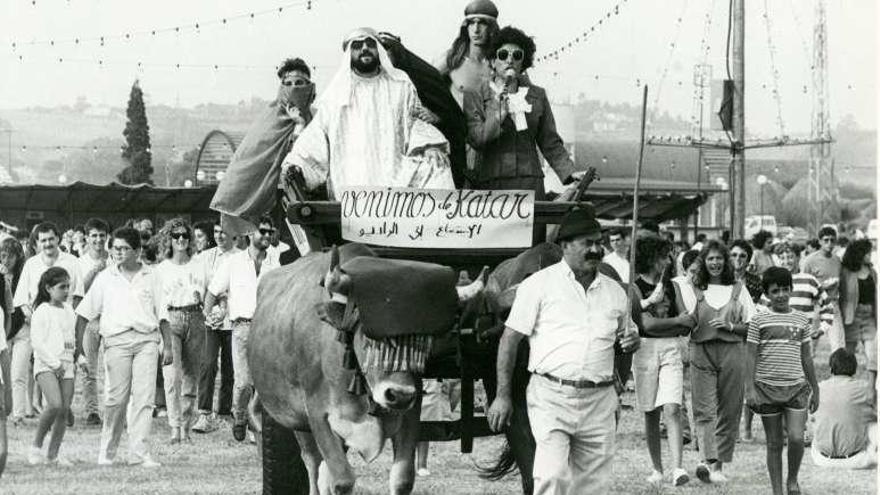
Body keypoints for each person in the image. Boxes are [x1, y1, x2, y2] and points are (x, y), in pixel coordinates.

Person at [486, 206, 639, 494]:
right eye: (587, 243)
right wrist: (503, 395)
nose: (595, 250)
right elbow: (509, 339)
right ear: (565, 246)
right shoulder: (538, 286)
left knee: (593, 486)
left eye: (598, 243)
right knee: (552, 477)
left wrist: (631, 347)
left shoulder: (616, 292)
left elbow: (627, 338)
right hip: (551, 396)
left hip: (599, 399)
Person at [284, 28, 453, 199]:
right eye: (357, 45)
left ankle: (440, 224)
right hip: (352, 183)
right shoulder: (336, 94)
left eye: (370, 44)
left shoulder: (400, 85)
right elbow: (317, 134)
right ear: (349, 53)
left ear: (379, 50)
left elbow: (414, 122)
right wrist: (298, 163)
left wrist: (429, 146)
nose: (365, 48)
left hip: (395, 176)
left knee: (437, 164)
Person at [74, 227, 171, 467]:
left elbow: (163, 314)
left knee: (144, 398)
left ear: (137, 251)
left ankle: (139, 454)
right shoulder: (106, 277)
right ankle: (107, 453)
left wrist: (167, 346)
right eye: (115, 248)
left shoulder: (153, 275)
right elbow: (83, 314)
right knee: (116, 399)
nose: (117, 252)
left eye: (123, 248)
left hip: (146, 341)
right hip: (116, 342)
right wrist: (79, 349)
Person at [463, 26, 576, 199]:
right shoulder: (475, 94)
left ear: (523, 63)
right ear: (493, 61)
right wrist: (497, 115)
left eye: (517, 56)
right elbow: (476, 139)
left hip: (530, 183)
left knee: (533, 227)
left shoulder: (536, 96)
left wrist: (569, 173)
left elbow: (550, 142)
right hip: (491, 183)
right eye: (503, 55)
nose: (510, 60)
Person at [676, 240, 756, 483]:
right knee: (704, 408)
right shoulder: (694, 288)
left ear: (726, 261)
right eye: (710, 258)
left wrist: (731, 326)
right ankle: (705, 460)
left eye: (719, 258)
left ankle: (718, 465)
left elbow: (753, 325)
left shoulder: (738, 289)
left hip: (733, 351)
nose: (715, 263)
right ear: (703, 262)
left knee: (729, 409)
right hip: (701, 350)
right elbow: (683, 315)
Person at [212, 58, 316, 237]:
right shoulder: (268, 120)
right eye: (288, 84)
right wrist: (298, 127)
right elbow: (248, 162)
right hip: (273, 204)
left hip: (310, 200)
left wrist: (301, 124)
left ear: (310, 87)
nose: (294, 88)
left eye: (300, 83)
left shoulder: (318, 118)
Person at [204, 215, 280, 441]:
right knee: (244, 381)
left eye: (270, 232)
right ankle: (239, 415)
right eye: (262, 231)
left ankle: (259, 425)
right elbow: (213, 292)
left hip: (268, 328)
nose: (267, 235)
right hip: (242, 327)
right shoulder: (233, 262)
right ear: (250, 233)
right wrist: (209, 316)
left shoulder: (275, 263)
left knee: (265, 382)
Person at [744, 267, 819, 495]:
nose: (781, 295)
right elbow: (750, 355)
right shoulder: (759, 320)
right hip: (766, 388)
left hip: (796, 387)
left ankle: (792, 479)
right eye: (775, 291)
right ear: (767, 293)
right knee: (774, 443)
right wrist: (750, 389)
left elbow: (806, 356)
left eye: (785, 289)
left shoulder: (801, 319)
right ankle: (777, 490)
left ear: (791, 290)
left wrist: (815, 388)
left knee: (796, 438)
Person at [631, 236, 695, 487]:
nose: (668, 261)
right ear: (650, 258)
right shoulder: (635, 288)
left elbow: (687, 322)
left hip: (671, 349)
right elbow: (645, 324)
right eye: (663, 256)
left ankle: (678, 467)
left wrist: (675, 324)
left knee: (673, 407)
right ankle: (657, 468)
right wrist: (676, 323)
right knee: (650, 411)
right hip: (645, 349)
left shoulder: (673, 286)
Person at [11, 222, 82, 425]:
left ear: (58, 238)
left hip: (63, 326)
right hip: (32, 324)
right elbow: (21, 300)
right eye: (43, 240)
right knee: (21, 369)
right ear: (37, 243)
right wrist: (34, 320)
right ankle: (18, 414)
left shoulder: (72, 262)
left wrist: (68, 320)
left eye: (51, 239)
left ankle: (62, 409)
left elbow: (77, 296)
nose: (48, 243)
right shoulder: (31, 264)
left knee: (63, 368)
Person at [155, 218, 208, 444]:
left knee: (191, 377)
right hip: (170, 319)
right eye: (176, 236)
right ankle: (175, 428)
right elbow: (156, 302)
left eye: (185, 236)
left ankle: (186, 427)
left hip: (195, 317)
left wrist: (215, 307)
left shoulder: (200, 264)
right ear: (169, 239)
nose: (181, 240)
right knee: (172, 376)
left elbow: (214, 292)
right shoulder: (161, 269)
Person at [27, 267, 77, 466]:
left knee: (64, 409)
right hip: (46, 364)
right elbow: (37, 342)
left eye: (68, 287)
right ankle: (35, 447)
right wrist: (54, 364)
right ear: (48, 288)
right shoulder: (42, 310)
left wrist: (77, 358)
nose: (66, 291)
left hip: (67, 363)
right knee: (54, 404)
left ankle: (53, 455)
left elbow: (71, 338)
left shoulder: (69, 310)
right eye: (61, 287)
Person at [192, 222, 238, 434]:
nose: (220, 236)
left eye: (224, 232)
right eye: (217, 232)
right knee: (208, 364)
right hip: (211, 319)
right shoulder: (205, 257)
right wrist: (207, 311)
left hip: (234, 319)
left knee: (230, 367)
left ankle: (225, 412)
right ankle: (204, 413)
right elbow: (198, 288)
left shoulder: (241, 257)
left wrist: (226, 308)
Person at [811, 349, 877, 469]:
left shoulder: (819, 389)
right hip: (857, 460)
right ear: (855, 369)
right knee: (873, 424)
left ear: (831, 369)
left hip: (821, 459)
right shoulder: (864, 389)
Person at [76, 218, 110, 426]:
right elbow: (79, 291)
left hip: (110, 318)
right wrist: (95, 270)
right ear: (87, 238)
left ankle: (113, 410)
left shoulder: (114, 259)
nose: (98, 239)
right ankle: (91, 411)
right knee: (89, 368)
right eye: (94, 236)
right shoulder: (79, 263)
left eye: (101, 236)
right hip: (88, 320)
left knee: (112, 368)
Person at [435, 0, 498, 108]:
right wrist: (437, 115)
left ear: (492, 28)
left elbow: (529, 93)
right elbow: (424, 81)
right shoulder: (452, 58)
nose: (476, 29)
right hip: (457, 123)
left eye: (482, 23)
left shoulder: (501, 61)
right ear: (466, 27)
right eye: (472, 23)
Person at [839, 239, 877, 406]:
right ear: (860, 254)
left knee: (874, 355)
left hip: (869, 318)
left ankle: (872, 390)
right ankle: (848, 392)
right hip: (852, 318)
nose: (870, 255)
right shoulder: (846, 271)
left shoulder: (873, 272)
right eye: (868, 252)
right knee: (849, 356)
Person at [803, 226, 844, 350]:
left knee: (838, 346)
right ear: (820, 241)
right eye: (826, 240)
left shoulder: (837, 261)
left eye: (832, 240)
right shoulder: (810, 261)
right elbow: (804, 285)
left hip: (832, 305)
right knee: (809, 349)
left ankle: (837, 369)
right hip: (814, 306)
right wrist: (822, 286)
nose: (829, 244)